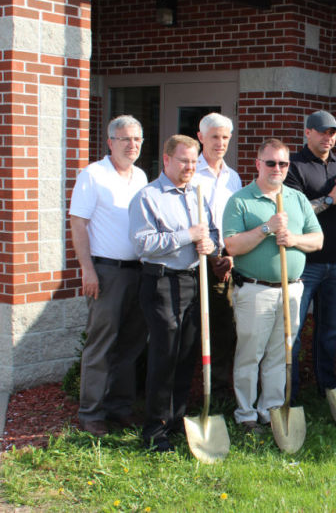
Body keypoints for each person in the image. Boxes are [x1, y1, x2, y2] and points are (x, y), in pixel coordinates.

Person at [222, 139, 323, 433]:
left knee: (281, 354)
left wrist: (293, 239)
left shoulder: (297, 199)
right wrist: (267, 228)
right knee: (250, 354)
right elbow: (232, 245)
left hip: (291, 289)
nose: (277, 169)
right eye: (270, 163)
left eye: (283, 164)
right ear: (257, 164)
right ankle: (246, 414)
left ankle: (271, 410)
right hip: (256, 290)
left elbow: (317, 240)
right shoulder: (241, 200)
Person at [129, 134, 219, 452]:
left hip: (195, 280)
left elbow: (212, 232)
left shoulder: (197, 193)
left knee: (186, 353)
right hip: (161, 282)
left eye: (194, 162)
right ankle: (154, 430)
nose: (189, 167)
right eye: (183, 161)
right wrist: (187, 235)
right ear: (166, 160)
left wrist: (211, 243)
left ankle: (177, 421)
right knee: (165, 354)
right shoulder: (148, 197)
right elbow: (142, 243)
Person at [69, 115, 149, 437]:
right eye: (126, 139)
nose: (132, 145)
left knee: (130, 345)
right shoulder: (93, 175)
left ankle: (120, 407)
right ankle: (91, 412)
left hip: (137, 272)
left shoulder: (141, 176)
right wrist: (87, 270)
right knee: (100, 345)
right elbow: (78, 224)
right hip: (105, 271)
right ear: (110, 142)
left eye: (138, 140)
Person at [284, 110, 336, 401]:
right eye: (322, 132)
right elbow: (293, 212)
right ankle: (288, 393)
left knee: (330, 330)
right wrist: (330, 199)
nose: (328, 137)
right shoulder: (293, 166)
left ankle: (326, 388)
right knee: (292, 330)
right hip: (303, 263)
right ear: (307, 132)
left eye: (332, 133)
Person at [194, 112, 242, 398]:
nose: (220, 143)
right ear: (201, 137)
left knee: (225, 327)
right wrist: (212, 257)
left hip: (227, 262)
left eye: (225, 137)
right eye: (214, 136)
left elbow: (235, 224)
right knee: (195, 329)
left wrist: (230, 256)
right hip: (196, 261)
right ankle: (191, 391)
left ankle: (220, 389)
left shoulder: (232, 178)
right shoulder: (191, 172)